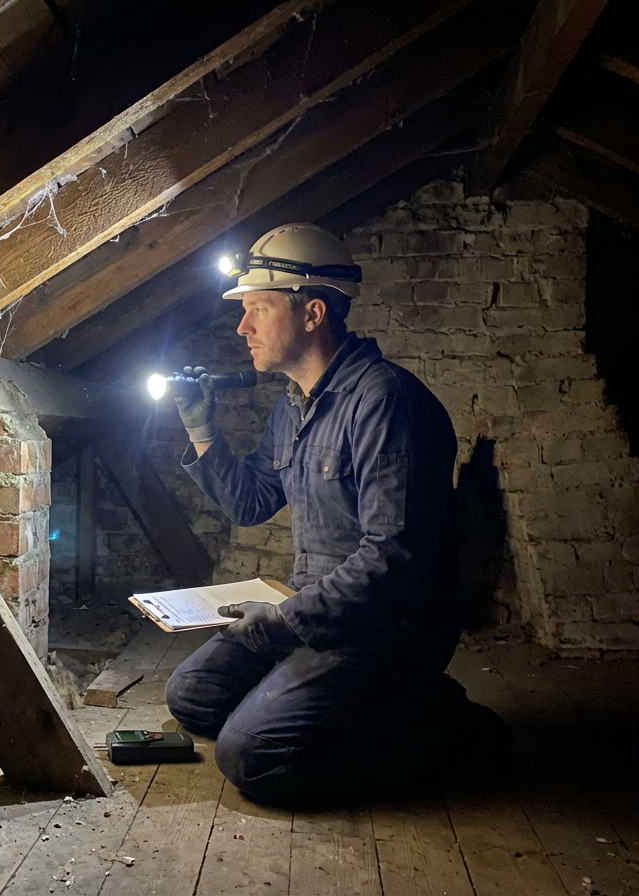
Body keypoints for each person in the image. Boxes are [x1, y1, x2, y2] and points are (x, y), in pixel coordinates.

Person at [165, 223, 506, 806]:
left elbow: (392, 557)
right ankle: (347, 704)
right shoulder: (294, 405)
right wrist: (201, 430)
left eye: (256, 310)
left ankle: (434, 718)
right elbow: (251, 502)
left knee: (250, 756)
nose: (241, 328)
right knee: (193, 695)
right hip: (314, 610)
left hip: (387, 629)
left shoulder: (385, 403)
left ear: (312, 313)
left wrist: (284, 623)